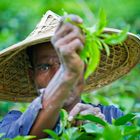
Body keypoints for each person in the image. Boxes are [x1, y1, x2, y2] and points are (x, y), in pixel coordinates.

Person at [0, 11, 140, 139]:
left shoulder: (112, 117)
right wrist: (67, 75)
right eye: (44, 67)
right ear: (32, 76)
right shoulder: (11, 123)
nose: (56, 75)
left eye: (64, 63)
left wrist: (103, 132)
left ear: (84, 69)